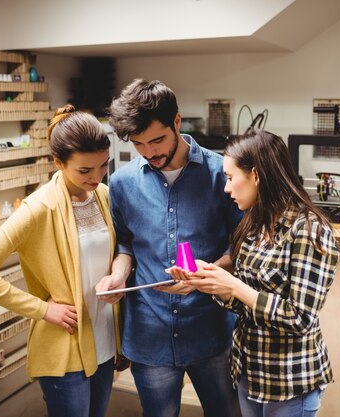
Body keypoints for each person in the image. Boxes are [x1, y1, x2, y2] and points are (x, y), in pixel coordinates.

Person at [0, 105, 124, 417]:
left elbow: (112, 255)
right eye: (85, 170)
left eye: (103, 165)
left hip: (104, 340)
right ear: (58, 163)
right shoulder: (38, 208)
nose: (97, 176)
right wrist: (43, 309)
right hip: (64, 348)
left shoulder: (102, 194)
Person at [95, 79, 242, 417]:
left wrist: (206, 275)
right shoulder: (120, 183)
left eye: (157, 139)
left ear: (177, 122)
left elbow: (242, 245)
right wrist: (118, 276)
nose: (150, 152)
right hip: (149, 331)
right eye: (139, 144)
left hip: (211, 328)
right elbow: (125, 245)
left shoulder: (222, 173)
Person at [169, 130, 340, 417]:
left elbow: (298, 318)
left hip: (289, 381)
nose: (226, 188)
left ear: (256, 176)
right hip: (249, 373)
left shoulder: (310, 231)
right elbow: (244, 303)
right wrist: (210, 281)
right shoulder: (252, 225)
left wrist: (234, 286)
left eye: (230, 177)